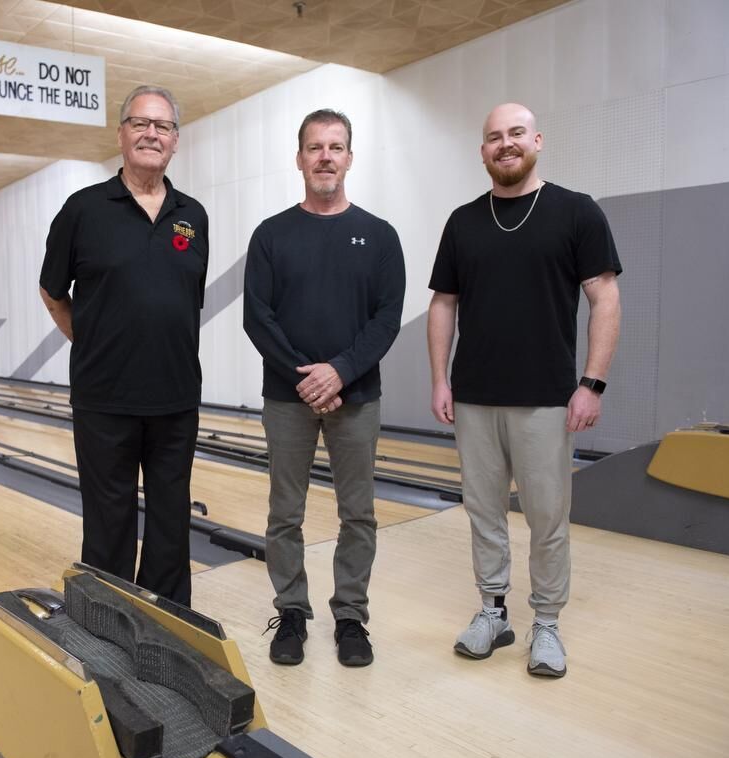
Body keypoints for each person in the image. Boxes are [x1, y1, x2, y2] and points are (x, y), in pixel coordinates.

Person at [427, 102, 621, 678]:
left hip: (546, 396)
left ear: (537, 139)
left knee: (547, 518)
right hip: (475, 396)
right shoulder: (463, 221)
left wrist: (592, 383)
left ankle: (547, 624)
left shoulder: (576, 212)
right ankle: (492, 612)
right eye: (493, 137)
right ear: (482, 150)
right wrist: (441, 379)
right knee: (483, 512)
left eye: (515, 134)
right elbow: (443, 303)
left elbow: (604, 297)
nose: (505, 144)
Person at [243, 109, 405, 667]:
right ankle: (291, 611)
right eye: (315, 148)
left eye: (336, 147)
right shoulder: (271, 234)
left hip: (356, 397)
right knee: (284, 512)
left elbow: (386, 319)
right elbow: (256, 318)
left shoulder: (381, 236)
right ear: (300, 159)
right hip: (288, 398)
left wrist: (339, 372)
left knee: (357, 513)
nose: (326, 157)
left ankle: (351, 617)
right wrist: (308, 379)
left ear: (350, 158)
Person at [38, 85, 208, 606]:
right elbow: (52, 289)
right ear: (121, 135)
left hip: (176, 397)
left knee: (170, 521)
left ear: (176, 141)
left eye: (162, 126)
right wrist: (92, 342)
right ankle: (107, 626)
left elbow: (185, 301)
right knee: (108, 521)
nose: (151, 133)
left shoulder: (192, 215)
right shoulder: (83, 209)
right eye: (140, 123)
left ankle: (168, 623)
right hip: (104, 398)